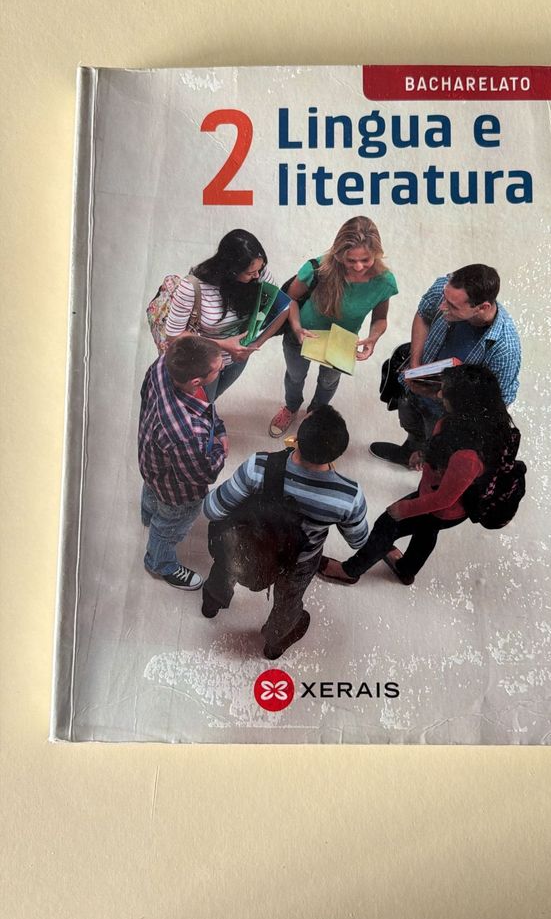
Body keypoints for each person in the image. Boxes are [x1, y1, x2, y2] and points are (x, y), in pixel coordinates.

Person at [320, 364, 518, 587]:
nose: (440, 395)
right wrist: (425, 454)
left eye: (446, 393)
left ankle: (350, 571)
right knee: (426, 534)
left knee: (387, 524)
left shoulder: (468, 456)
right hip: (446, 503)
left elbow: (443, 499)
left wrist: (405, 509)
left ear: (463, 404)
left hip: (441, 506)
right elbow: (442, 448)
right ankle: (406, 570)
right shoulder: (482, 423)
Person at [201, 406, 369, 660]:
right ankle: (274, 643)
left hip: (249, 543)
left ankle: (212, 603)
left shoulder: (259, 466)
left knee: (225, 569)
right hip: (299, 560)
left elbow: (212, 509)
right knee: (289, 600)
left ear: (297, 439)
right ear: (338, 452)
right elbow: (358, 540)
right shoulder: (348, 496)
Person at [370, 264, 521, 468]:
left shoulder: (504, 349)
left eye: (453, 307)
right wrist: (415, 366)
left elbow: (492, 408)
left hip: (447, 413)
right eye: (445, 298)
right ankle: (411, 448)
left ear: (482, 307)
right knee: (411, 422)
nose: (442, 307)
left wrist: (437, 395)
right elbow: (424, 314)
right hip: (415, 388)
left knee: (438, 455)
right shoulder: (446, 288)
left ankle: (427, 460)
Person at [268, 216, 398, 438]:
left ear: (376, 253)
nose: (358, 267)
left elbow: (380, 318)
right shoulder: (317, 269)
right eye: (351, 260)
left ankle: (316, 413)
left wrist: (373, 338)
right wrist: (296, 328)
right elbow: (290, 299)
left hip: (341, 342)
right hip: (301, 336)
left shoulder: (384, 281)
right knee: (295, 376)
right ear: (338, 254)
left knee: (328, 381)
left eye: (365, 260)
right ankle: (291, 407)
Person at [139, 335, 228, 591]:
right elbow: (203, 474)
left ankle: (148, 515)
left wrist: (217, 427)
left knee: (152, 489)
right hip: (177, 492)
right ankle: (159, 563)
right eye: (218, 369)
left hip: (150, 458)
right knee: (169, 525)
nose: (222, 367)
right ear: (196, 382)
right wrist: (220, 449)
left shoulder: (161, 365)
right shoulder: (187, 434)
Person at [165, 228, 287, 403]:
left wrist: (254, 345)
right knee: (203, 403)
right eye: (250, 273)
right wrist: (224, 345)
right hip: (205, 362)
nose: (257, 276)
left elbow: (283, 309)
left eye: (259, 269)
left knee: (214, 396)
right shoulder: (192, 287)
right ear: (231, 269)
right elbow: (173, 335)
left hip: (239, 358)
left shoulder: (259, 274)